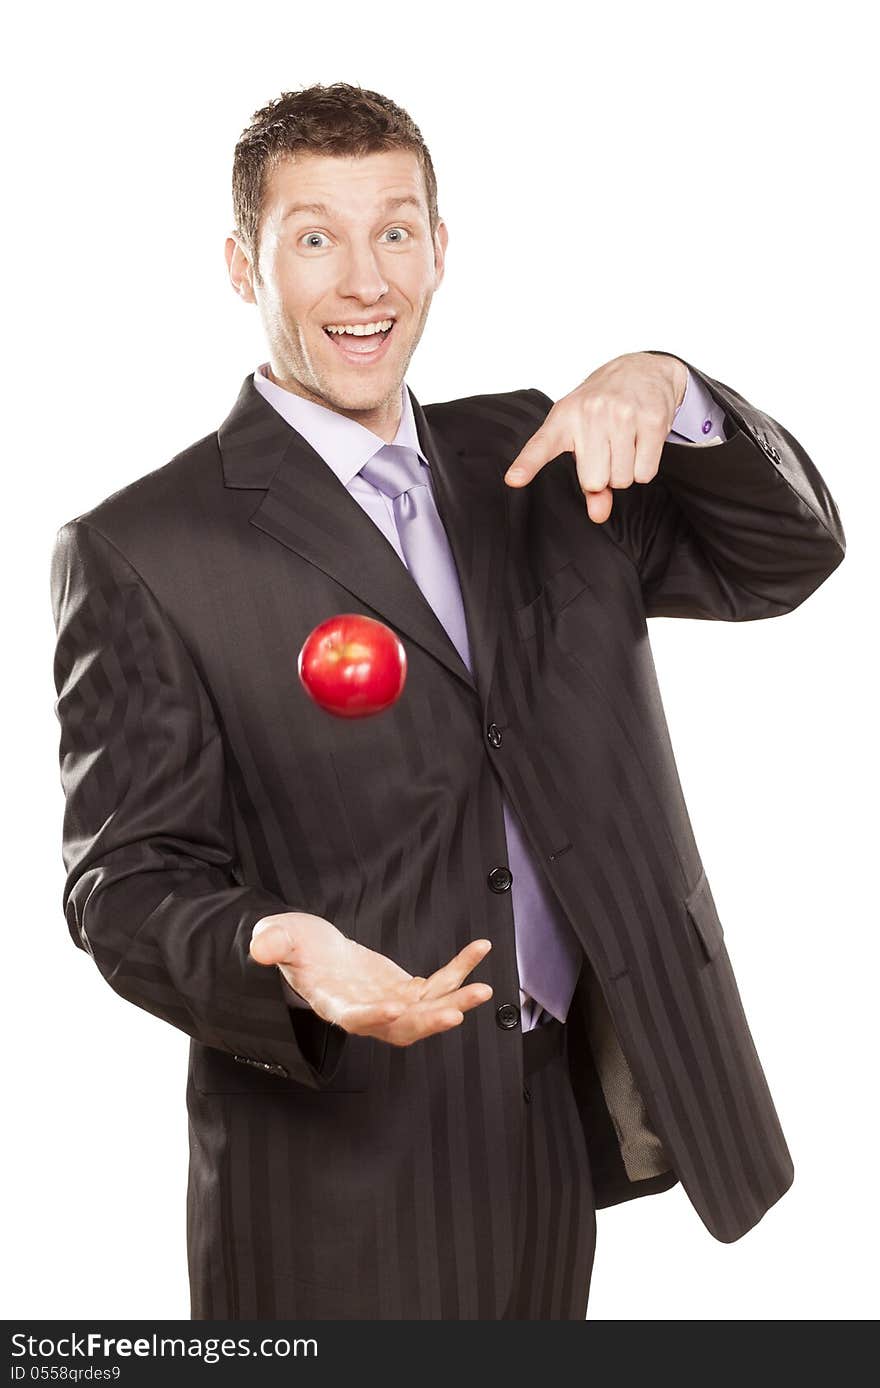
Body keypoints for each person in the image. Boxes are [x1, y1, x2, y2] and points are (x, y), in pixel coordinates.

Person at [49, 82, 846, 1321]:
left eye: (397, 232)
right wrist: (278, 949)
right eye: (314, 237)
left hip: (548, 1126)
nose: (365, 282)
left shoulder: (539, 452)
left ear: (438, 248)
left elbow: (782, 558)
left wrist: (670, 387)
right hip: (330, 1164)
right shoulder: (145, 547)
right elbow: (126, 883)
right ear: (239, 264)